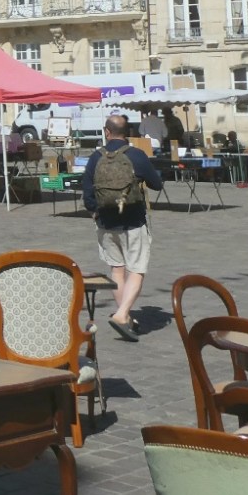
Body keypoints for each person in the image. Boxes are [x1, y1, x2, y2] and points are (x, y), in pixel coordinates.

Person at [82, 113, 164, 340]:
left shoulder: (95, 157)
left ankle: (124, 316)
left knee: (116, 269)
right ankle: (122, 314)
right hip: (134, 220)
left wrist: (94, 211)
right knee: (136, 269)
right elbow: (157, 184)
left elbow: (87, 192)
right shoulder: (136, 155)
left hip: (106, 221)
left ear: (106, 132)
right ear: (128, 133)